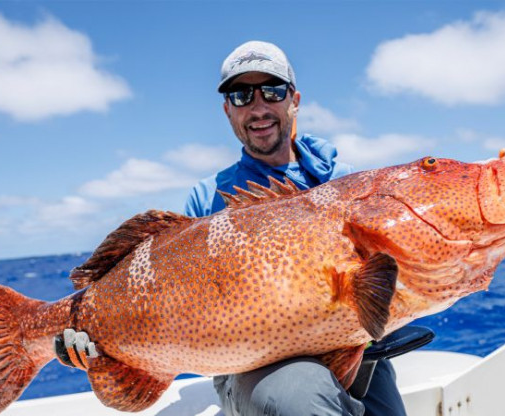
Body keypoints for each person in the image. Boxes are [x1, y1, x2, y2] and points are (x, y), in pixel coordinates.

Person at [56, 41, 408, 416]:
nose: (258, 107)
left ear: (295, 100)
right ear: (227, 110)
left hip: (355, 348)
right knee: (303, 401)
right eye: (241, 95)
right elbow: (164, 299)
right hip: (249, 362)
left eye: (272, 91)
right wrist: (98, 343)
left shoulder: (343, 183)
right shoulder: (209, 198)